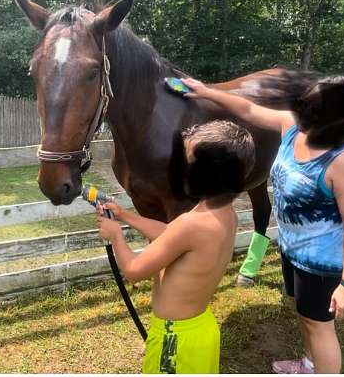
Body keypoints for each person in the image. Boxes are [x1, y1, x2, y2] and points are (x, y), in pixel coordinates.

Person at [181, 76, 344, 374]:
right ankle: (309, 364)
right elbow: (247, 109)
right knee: (305, 315)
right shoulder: (292, 128)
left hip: (322, 263)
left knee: (320, 326)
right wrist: (206, 92)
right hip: (291, 249)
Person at [96, 120, 256, 374]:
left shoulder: (192, 223)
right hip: (201, 330)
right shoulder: (222, 214)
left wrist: (116, 236)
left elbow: (135, 270)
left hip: (175, 337)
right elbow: (171, 235)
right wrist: (125, 216)